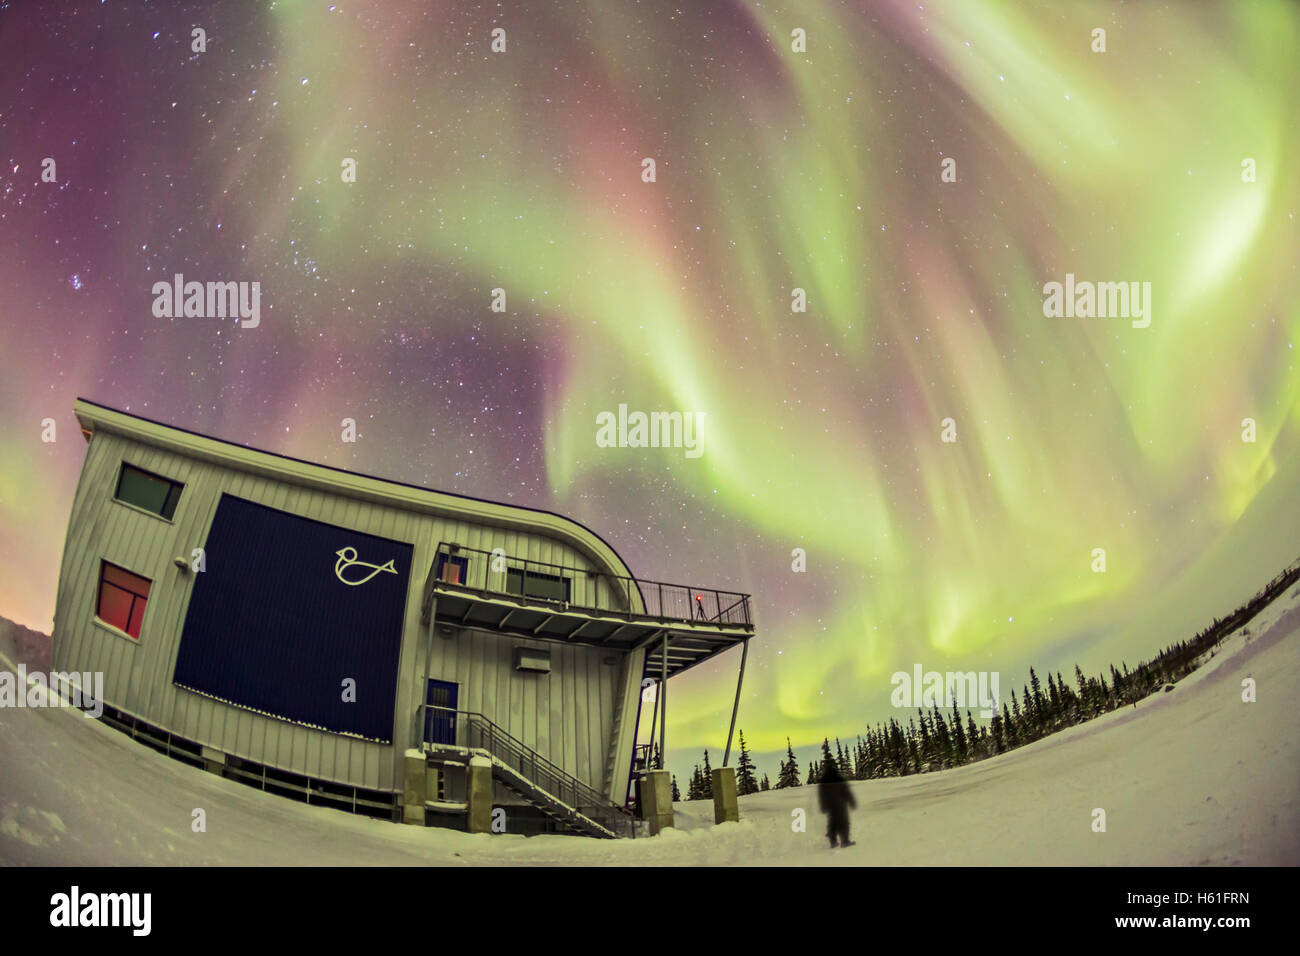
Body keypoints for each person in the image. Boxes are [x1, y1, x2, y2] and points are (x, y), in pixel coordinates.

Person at [817, 761, 857, 848]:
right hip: (841, 805)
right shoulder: (839, 778)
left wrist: (823, 806)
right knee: (844, 823)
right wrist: (851, 801)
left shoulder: (823, 780)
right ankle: (845, 841)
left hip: (831, 806)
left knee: (833, 823)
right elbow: (846, 792)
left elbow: (822, 795)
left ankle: (833, 842)